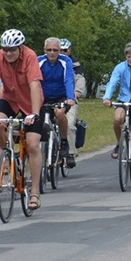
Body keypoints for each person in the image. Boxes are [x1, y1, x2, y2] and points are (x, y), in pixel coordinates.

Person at [0, 29, 44, 210]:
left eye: (12, 49)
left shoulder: (30, 56)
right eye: (5, 49)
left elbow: (34, 85)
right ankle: (8, 156)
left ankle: (34, 192)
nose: (8, 53)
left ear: (20, 48)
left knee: (32, 144)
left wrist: (34, 113)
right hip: (9, 99)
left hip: (30, 102)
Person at [102, 42, 131, 176]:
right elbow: (113, 82)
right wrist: (107, 97)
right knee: (117, 119)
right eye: (129, 57)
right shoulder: (120, 67)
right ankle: (120, 142)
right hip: (124, 100)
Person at [38, 37, 75, 158]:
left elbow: (68, 79)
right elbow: (34, 81)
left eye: (55, 50)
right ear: (44, 50)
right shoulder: (39, 61)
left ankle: (64, 141)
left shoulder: (66, 61)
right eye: (49, 50)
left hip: (61, 96)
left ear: (59, 50)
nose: (52, 53)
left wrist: (70, 98)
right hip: (43, 97)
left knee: (60, 113)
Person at [59, 38, 85, 168]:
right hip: (52, 99)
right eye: (60, 50)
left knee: (69, 124)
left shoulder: (75, 65)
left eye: (65, 50)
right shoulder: (49, 62)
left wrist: (77, 93)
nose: (62, 53)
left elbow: (80, 80)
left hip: (69, 98)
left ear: (69, 50)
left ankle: (70, 153)